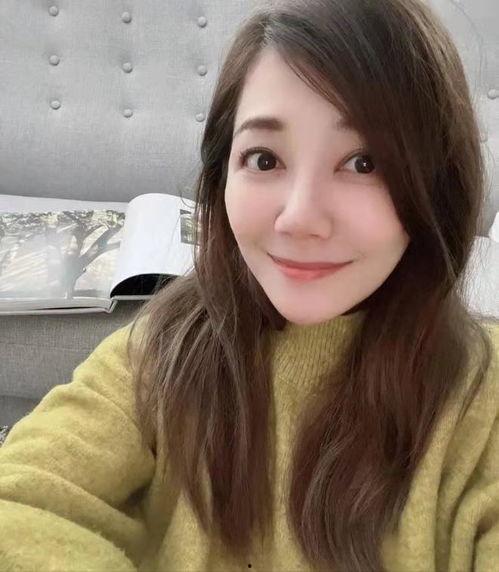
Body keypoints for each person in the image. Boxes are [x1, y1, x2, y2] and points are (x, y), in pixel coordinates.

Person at [0, 0, 497, 570]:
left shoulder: (481, 401)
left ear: (437, 184)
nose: (299, 218)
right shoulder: (166, 348)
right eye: (264, 160)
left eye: (364, 163)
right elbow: (19, 502)